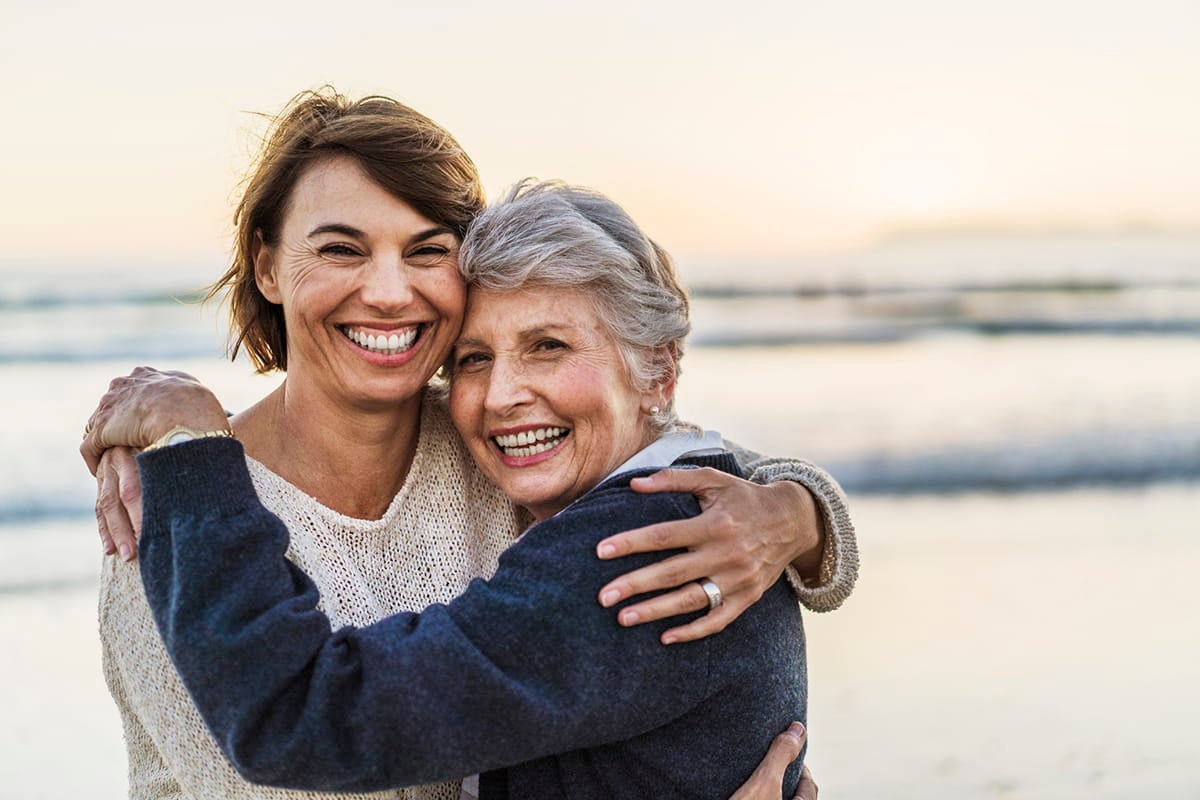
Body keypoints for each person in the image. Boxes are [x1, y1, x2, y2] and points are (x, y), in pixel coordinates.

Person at [81, 90, 856, 799]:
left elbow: (719, 480)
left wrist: (798, 511)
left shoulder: (604, 503)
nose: (388, 292)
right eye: (342, 249)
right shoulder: (172, 523)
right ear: (267, 266)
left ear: (662, 369)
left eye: (425, 250)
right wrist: (189, 446)